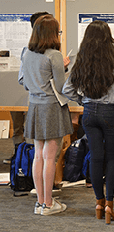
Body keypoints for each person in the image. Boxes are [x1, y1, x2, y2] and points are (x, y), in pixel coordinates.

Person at [63, 20, 114, 224]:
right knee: (111, 158)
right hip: (110, 112)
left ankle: (98, 203)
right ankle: (109, 204)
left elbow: (67, 90)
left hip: (89, 112)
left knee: (95, 157)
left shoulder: (82, 58)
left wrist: (83, 100)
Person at [21, 14, 73, 215]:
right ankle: (49, 204)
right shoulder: (54, 55)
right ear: (53, 34)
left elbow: (25, 83)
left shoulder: (27, 53)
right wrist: (65, 70)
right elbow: (61, 87)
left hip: (34, 106)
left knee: (38, 156)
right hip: (52, 107)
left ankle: (40, 203)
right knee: (51, 158)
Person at [3, 11, 59, 165]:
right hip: (32, 98)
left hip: (37, 99)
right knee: (21, 130)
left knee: (39, 145)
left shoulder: (45, 51)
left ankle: (27, 162)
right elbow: (22, 78)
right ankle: (20, 159)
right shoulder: (29, 50)